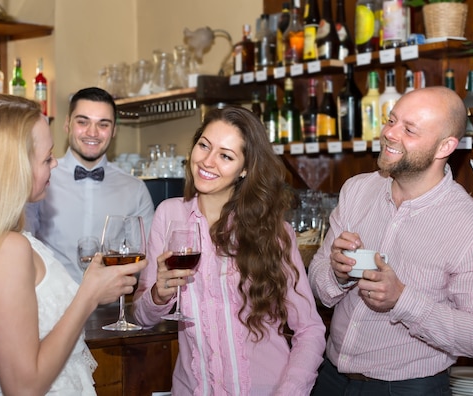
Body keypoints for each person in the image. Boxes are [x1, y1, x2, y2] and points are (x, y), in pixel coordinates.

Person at [0, 94, 147, 395]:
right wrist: (88, 294)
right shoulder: (9, 250)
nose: (55, 162)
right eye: (47, 158)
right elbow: (23, 387)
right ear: (12, 167)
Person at [308, 86, 473, 396]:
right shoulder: (356, 191)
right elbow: (318, 286)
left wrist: (403, 300)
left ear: (445, 146)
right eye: (392, 120)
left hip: (408, 388)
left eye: (409, 129)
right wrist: (337, 275)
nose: (390, 133)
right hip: (330, 378)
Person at [133, 106, 327, 394]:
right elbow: (141, 317)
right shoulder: (169, 214)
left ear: (245, 169)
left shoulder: (272, 231)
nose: (207, 162)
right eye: (204, 146)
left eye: (225, 156)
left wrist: (289, 391)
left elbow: (310, 330)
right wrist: (158, 295)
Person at [25, 87, 154, 284]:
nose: (92, 132)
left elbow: (145, 260)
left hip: (112, 309)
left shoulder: (135, 190)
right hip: (54, 308)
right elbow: (25, 244)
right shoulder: (39, 180)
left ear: (114, 131)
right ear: (67, 124)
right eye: (83, 122)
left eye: (103, 124)